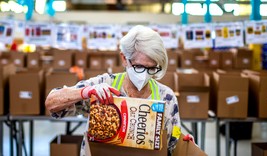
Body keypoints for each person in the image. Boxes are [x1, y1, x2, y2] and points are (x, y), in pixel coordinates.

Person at [45, 25, 181, 155]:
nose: (144, 74)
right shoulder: (104, 84)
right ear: (124, 59)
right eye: (139, 67)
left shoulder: (166, 97)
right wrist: (85, 92)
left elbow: (174, 142)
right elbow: (52, 104)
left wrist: (185, 144)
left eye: (151, 68)